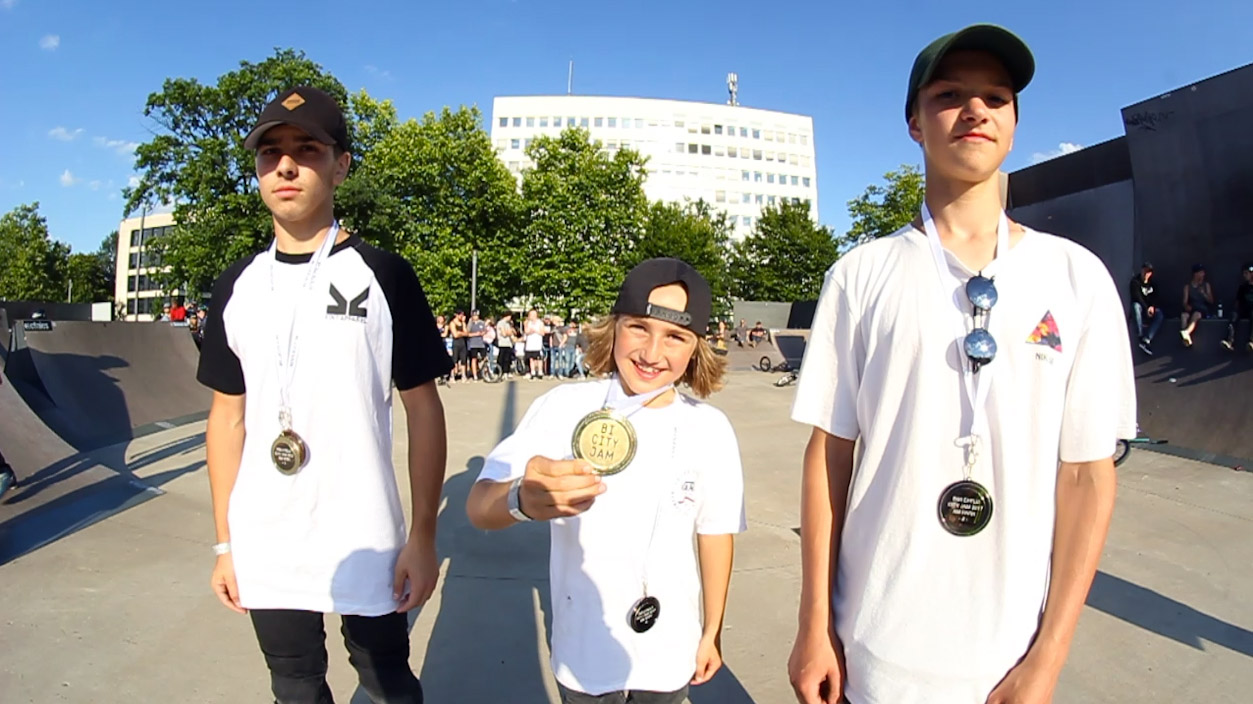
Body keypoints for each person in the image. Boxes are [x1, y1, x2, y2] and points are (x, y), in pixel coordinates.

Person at [786, 26, 1135, 704]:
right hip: (873, 647)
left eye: (995, 97)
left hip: (1007, 656)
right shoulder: (860, 274)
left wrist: (1048, 658)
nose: (974, 110)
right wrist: (812, 626)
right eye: (949, 95)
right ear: (915, 123)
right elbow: (828, 454)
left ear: (1012, 122)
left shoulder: (1075, 276)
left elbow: (1088, 478)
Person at [196, 86, 451, 704]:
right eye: (270, 152)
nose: (285, 166)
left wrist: (422, 535)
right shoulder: (239, 283)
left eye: (306, 149)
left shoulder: (384, 274)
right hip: (267, 536)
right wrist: (226, 543)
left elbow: (423, 409)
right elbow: (227, 419)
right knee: (294, 685)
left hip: (362, 531)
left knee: (387, 679)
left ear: (340, 165)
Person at [465, 258, 745, 704]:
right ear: (613, 327)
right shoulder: (563, 407)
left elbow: (715, 534)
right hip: (584, 656)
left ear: (696, 347)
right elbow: (479, 505)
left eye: (675, 336)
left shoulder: (710, 429)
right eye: (638, 328)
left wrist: (711, 631)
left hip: (669, 653)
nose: (652, 354)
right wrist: (521, 499)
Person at [1129, 261, 1163, 355]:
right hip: (1141, 308)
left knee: (1159, 314)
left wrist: (1152, 307)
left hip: (1149, 309)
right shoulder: (1135, 282)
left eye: (1148, 272)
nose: (1146, 274)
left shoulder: (1153, 284)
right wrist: (1146, 307)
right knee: (1136, 306)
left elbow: (1156, 297)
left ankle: (1146, 339)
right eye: (1144, 271)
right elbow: (1137, 297)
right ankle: (1140, 335)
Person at [1180, 263, 1214, 347]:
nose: (1203, 275)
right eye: (1201, 273)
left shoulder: (1206, 285)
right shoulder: (1188, 287)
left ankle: (1187, 332)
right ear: (1195, 274)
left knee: (1196, 314)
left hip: (1202, 309)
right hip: (1192, 308)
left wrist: (1204, 294)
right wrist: (1186, 306)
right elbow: (1185, 301)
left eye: (1203, 273)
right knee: (1184, 316)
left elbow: (1211, 301)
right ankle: (1186, 338)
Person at [1221, 262, 1253, 352]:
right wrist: (1236, 310)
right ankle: (1229, 341)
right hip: (1244, 309)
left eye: (1247, 273)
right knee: (1234, 315)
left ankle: (1251, 342)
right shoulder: (1243, 287)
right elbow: (1238, 301)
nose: (1245, 275)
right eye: (1244, 273)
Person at [449, 310, 470, 382]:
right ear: (456, 315)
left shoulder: (463, 323)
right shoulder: (452, 323)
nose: (462, 316)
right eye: (461, 315)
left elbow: (467, 333)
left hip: (463, 343)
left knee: (463, 360)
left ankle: (463, 375)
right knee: (454, 360)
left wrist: (461, 331)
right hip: (456, 344)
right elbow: (455, 335)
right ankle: (452, 376)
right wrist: (462, 333)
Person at [524, 309, 546, 379]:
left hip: (537, 344)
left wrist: (536, 331)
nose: (531, 316)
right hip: (530, 344)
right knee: (531, 359)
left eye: (533, 315)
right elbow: (526, 331)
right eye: (530, 315)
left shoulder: (540, 323)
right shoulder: (528, 323)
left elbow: (543, 333)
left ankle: (540, 371)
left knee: (539, 359)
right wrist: (530, 331)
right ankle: (532, 372)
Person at [467, 310, 487, 381]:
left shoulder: (482, 322)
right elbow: (467, 333)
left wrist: (483, 333)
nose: (476, 317)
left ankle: (484, 372)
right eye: (474, 315)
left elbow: (485, 330)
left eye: (477, 315)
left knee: (485, 357)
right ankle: (475, 375)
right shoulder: (470, 323)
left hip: (481, 343)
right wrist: (476, 334)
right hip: (473, 343)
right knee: (474, 359)